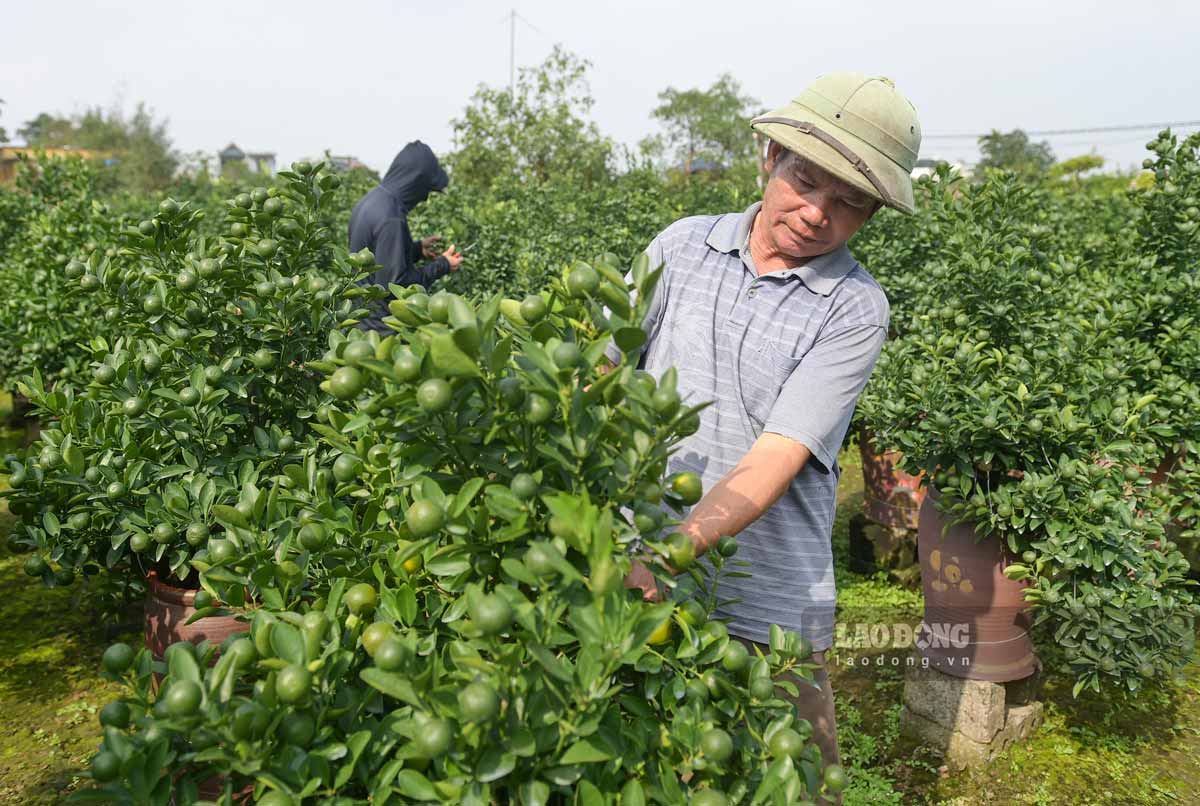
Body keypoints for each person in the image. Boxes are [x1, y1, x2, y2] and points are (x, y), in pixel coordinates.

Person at [613, 73, 922, 782]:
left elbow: (776, 456)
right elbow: (599, 372)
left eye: (848, 204)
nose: (817, 213)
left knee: (792, 782)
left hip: (767, 605)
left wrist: (669, 555)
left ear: (870, 217)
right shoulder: (680, 247)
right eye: (806, 182)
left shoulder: (854, 308)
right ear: (770, 161)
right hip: (633, 573)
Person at [348, 141, 464, 332]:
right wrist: (443, 264)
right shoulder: (392, 218)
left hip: (360, 322)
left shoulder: (370, 201)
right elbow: (396, 286)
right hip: (381, 331)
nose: (425, 199)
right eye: (426, 191)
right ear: (415, 183)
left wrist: (417, 249)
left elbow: (377, 259)